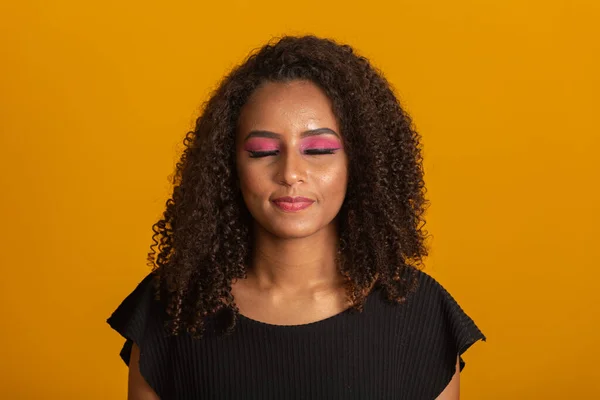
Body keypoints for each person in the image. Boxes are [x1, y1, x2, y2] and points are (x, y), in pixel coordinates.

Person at [107, 35, 485, 400]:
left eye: (318, 149)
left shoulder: (421, 314)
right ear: (229, 166)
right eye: (262, 151)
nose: (290, 172)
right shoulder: (170, 308)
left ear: (360, 163)